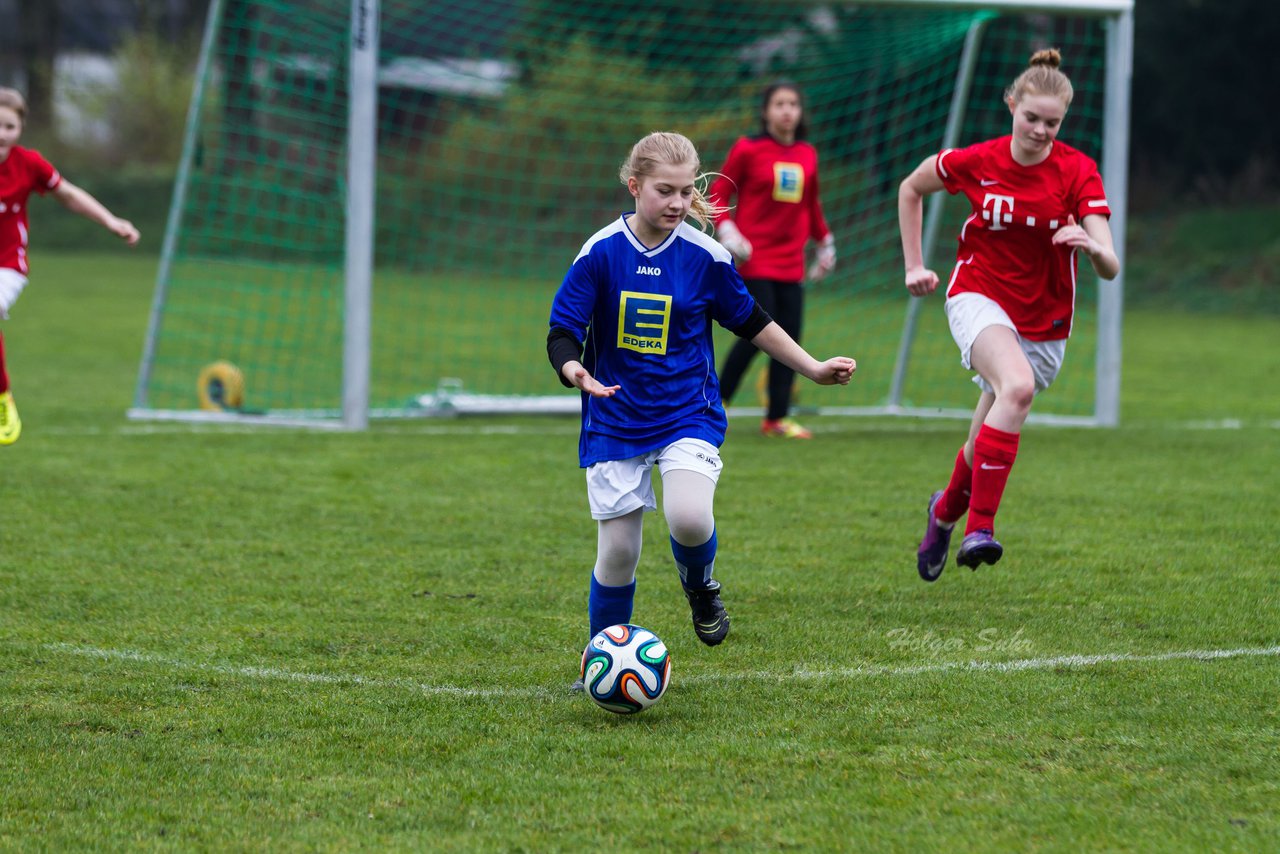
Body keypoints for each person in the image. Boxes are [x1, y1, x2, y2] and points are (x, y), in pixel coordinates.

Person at [547, 131, 855, 686]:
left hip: (688, 412)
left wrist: (811, 367)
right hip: (615, 416)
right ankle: (601, 662)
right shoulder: (600, 252)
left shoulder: (707, 256)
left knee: (690, 518)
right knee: (618, 551)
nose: (678, 203)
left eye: (687, 192)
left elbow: (752, 322)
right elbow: (563, 331)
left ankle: (700, 586)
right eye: (665, 190)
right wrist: (575, 371)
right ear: (634, 185)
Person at [898, 50, 1119, 581]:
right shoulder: (978, 160)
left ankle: (944, 512)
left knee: (986, 437)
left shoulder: (1077, 172)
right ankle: (981, 528)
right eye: (1032, 117)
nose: (1040, 130)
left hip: (1044, 321)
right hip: (978, 292)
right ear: (1012, 105)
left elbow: (1110, 266)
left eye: (1052, 122)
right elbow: (911, 188)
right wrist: (914, 265)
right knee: (1015, 388)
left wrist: (1090, 244)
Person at [0, 87, 140, 444]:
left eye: (9, 126)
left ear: (20, 129)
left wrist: (111, 221)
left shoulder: (28, 164)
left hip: (8, 266)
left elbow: (70, 195)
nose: (2, 133)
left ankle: (3, 399)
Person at [709, 81, 835, 440]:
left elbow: (811, 205)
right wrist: (728, 231)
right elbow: (719, 191)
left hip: (790, 262)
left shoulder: (807, 153)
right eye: (779, 103)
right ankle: (715, 404)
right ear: (765, 111)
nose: (786, 110)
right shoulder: (748, 149)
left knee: (791, 338)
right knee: (755, 335)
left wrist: (825, 243)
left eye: (793, 103)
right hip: (755, 259)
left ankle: (777, 419)